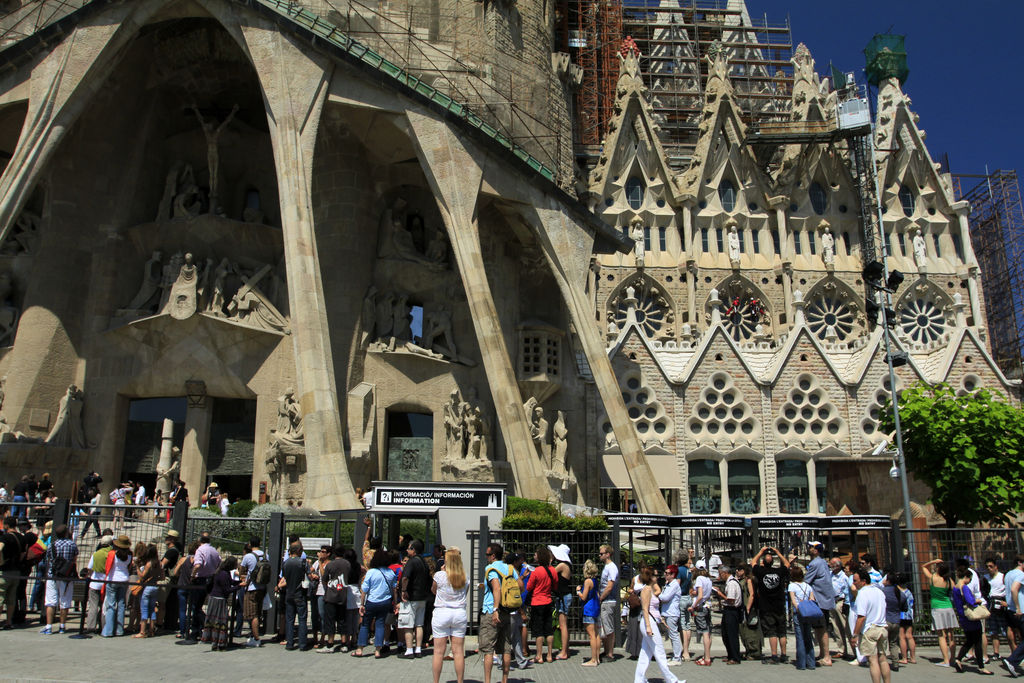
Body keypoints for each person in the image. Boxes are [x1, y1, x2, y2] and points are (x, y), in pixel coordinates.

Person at [480, 542, 520, 683]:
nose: (486, 557)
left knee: (488, 649)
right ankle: (505, 680)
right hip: (508, 611)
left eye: (487, 554)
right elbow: (520, 585)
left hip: (492, 611)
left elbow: (496, 588)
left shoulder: (490, 568)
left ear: (493, 555)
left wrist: (495, 608)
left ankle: (487, 681)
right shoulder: (510, 568)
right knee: (506, 648)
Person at [634, 566, 680, 683]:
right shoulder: (646, 590)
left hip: (652, 621)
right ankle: (671, 679)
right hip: (648, 622)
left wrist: (661, 620)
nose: (657, 577)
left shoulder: (651, 589)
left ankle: (639, 679)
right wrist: (649, 626)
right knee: (659, 652)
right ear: (650, 577)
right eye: (654, 575)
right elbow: (645, 609)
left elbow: (653, 609)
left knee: (645, 653)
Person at [431, 547, 468, 683]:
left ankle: (436, 681)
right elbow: (465, 593)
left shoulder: (439, 575)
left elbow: (433, 590)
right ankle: (460, 681)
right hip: (459, 613)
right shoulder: (465, 577)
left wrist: (441, 573)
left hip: (442, 612)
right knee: (458, 651)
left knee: (438, 651)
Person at [951, 565, 994, 674]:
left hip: (963, 617)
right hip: (972, 617)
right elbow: (971, 601)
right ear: (965, 577)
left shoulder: (955, 588)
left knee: (970, 640)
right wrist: (978, 601)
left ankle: (958, 659)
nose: (970, 581)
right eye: (969, 579)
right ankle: (981, 666)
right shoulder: (964, 587)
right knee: (977, 641)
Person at [354, 548, 396, 658]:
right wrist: (395, 603)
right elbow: (394, 589)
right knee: (380, 624)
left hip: (372, 601)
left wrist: (362, 604)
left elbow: (364, 590)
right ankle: (378, 650)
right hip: (386, 601)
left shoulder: (371, 572)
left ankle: (360, 649)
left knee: (365, 625)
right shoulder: (390, 572)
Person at [852, 568, 891, 683]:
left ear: (863, 581)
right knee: (883, 659)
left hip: (870, 629)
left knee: (873, 661)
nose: (854, 583)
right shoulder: (879, 592)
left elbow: (861, 617)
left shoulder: (862, 593)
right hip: (882, 627)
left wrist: (855, 634)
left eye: (855, 580)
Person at [753, 545, 790, 664]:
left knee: (772, 632)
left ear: (763, 562)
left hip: (767, 606)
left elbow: (753, 562)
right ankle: (784, 654)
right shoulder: (779, 572)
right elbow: (787, 564)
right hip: (779, 605)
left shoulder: (761, 571)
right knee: (782, 632)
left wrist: (761, 551)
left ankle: (774, 655)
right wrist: (778, 552)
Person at [40, 523, 77, 635]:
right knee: (65, 602)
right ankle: (62, 626)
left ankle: (49, 626)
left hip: (53, 574)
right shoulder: (72, 545)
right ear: (66, 533)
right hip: (66, 576)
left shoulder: (52, 545)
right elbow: (74, 559)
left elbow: (48, 559)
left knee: (51, 602)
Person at [805, 541, 836, 665]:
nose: (809, 548)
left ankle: (827, 656)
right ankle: (823, 653)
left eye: (811, 547)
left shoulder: (815, 563)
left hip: (819, 600)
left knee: (821, 628)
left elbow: (807, 580)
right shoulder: (823, 562)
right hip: (825, 599)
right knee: (819, 628)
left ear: (816, 550)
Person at [399, 538, 431, 659]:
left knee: (408, 624)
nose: (407, 550)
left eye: (409, 548)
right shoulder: (424, 562)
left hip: (411, 597)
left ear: (413, 549)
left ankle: (409, 650)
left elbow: (405, 578)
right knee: (419, 624)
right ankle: (418, 648)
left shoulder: (411, 562)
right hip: (422, 597)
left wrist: (403, 590)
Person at [923, 558, 957, 667]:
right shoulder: (948, 580)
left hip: (937, 607)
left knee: (941, 635)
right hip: (948, 607)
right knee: (951, 634)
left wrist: (933, 561)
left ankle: (946, 660)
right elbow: (955, 589)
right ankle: (953, 658)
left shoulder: (933, 578)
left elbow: (923, 567)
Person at [187, 532, 220, 641]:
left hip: (200, 579)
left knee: (195, 606)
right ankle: (199, 629)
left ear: (200, 542)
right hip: (210, 578)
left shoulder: (200, 550)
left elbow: (198, 564)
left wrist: (192, 575)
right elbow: (219, 562)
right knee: (199, 605)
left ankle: (201, 626)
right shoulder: (214, 551)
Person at [201, 555, 239, 651]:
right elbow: (227, 590)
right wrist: (239, 586)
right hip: (219, 600)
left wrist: (238, 583)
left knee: (214, 622)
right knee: (221, 622)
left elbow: (230, 582)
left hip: (214, 598)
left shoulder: (221, 572)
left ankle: (215, 643)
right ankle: (220, 643)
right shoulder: (224, 574)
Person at [318, 544, 351, 653]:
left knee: (330, 620)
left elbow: (324, 578)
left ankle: (330, 643)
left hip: (331, 595)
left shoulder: (330, 565)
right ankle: (344, 643)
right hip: (343, 594)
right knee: (342, 620)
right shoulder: (347, 564)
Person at [526, 545, 556, 663]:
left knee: (538, 630)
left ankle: (539, 655)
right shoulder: (552, 570)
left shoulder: (536, 571)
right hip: (548, 601)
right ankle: (549, 654)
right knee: (548, 629)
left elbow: (529, 587)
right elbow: (555, 585)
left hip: (537, 602)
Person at [279, 542, 311, 651]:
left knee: (289, 619)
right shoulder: (303, 563)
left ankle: (290, 643)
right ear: (298, 551)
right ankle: (302, 644)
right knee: (302, 619)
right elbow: (309, 576)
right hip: (300, 593)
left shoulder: (285, 563)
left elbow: (284, 577)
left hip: (289, 593)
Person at [788, 563, 819, 670]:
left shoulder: (792, 586)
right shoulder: (808, 586)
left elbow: (793, 601)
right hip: (808, 612)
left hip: (799, 612)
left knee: (800, 637)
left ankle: (801, 663)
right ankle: (811, 662)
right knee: (808, 637)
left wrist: (798, 607)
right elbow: (812, 599)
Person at [101, 535, 133, 637]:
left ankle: (109, 630)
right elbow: (129, 566)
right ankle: (119, 630)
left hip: (113, 579)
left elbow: (107, 566)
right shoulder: (129, 555)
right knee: (121, 604)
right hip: (124, 579)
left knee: (111, 605)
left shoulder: (112, 554)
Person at [239, 535, 268, 647]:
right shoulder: (265, 555)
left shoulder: (248, 556)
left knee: (252, 614)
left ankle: (256, 638)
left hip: (251, 588)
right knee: (258, 612)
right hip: (262, 587)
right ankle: (255, 634)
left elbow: (241, 569)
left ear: (250, 544)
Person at [548, 543, 572, 660]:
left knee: (563, 625)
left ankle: (564, 652)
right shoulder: (566, 565)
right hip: (562, 596)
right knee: (563, 624)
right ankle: (565, 649)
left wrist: (550, 561)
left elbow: (550, 572)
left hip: (563, 596)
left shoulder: (562, 565)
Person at [716, 564, 743, 665]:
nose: (720, 576)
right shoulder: (730, 582)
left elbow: (731, 600)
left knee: (731, 635)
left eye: (720, 574)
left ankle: (735, 657)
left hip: (732, 610)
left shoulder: (731, 584)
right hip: (729, 610)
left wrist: (720, 594)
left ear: (725, 573)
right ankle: (730, 655)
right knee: (726, 634)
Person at [86, 534, 113, 633]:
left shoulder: (96, 554)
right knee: (104, 607)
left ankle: (90, 626)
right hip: (105, 583)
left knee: (93, 606)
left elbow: (89, 568)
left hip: (94, 582)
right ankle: (103, 626)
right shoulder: (111, 554)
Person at [880, 572, 907, 671]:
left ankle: (882, 662)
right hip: (896, 621)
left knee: (882, 643)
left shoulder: (882, 591)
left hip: (885, 620)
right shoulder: (900, 593)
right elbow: (905, 608)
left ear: (888, 581)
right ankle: (895, 663)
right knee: (893, 643)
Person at [577, 558, 602, 667]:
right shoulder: (595, 580)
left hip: (589, 608)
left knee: (591, 635)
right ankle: (597, 658)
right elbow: (597, 595)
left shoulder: (587, 581)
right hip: (596, 607)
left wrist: (578, 591)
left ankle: (593, 660)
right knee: (596, 634)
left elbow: (584, 597)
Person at [597, 544, 619, 661]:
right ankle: (606, 651)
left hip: (608, 600)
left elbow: (610, 586)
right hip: (605, 600)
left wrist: (601, 598)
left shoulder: (612, 567)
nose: (599, 555)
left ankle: (610, 653)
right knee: (604, 627)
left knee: (608, 627)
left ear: (608, 554)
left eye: (601, 553)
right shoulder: (606, 567)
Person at [659, 564, 684, 665]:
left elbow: (666, 598)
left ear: (673, 574)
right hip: (667, 612)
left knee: (674, 635)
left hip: (672, 613)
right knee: (671, 634)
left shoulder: (674, 585)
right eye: (665, 573)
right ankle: (675, 655)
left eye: (667, 573)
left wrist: (658, 594)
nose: (665, 575)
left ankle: (677, 658)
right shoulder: (668, 584)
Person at [737, 563, 762, 661]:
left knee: (750, 631)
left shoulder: (749, 580)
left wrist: (748, 607)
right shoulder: (745, 580)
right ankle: (749, 650)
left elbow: (751, 594)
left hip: (749, 608)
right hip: (745, 608)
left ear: (744, 571)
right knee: (745, 630)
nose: (737, 572)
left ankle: (754, 651)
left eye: (739, 569)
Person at [830, 557, 854, 659]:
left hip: (840, 601)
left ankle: (854, 651)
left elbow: (846, 590)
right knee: (836, 627)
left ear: (838, 565)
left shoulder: (844, 577)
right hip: (832, 601)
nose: (829, 565)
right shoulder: (830, 574)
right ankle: (841, 649)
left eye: (831, 564)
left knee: (845, 626)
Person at [691, 564, 714, 665]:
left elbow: (700, 595)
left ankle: (707, 658)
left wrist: (694, 606)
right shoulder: (708, 579)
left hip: (700, 607)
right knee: (708, 631)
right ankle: (706, 655)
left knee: (704, 632)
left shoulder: (699, 578)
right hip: (707, 606)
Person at [986, 558, 1008, 661]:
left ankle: (1014, 652)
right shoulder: (985, 578)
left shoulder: (1002, 577)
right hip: (991, 605)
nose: (989, 568)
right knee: (993, 631)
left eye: (991, 566)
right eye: (987, 567)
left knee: (1006, 630)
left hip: (1000, 604)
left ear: (996, 567)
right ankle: (996, 652)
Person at [896, 572, 917, 665]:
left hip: (900, 615)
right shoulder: (909, 591)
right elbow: (912, 603)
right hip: (909, 615)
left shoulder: (897, 591)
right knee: (909, 636)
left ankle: (904, 657)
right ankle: (913, 657)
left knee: (901, 636)